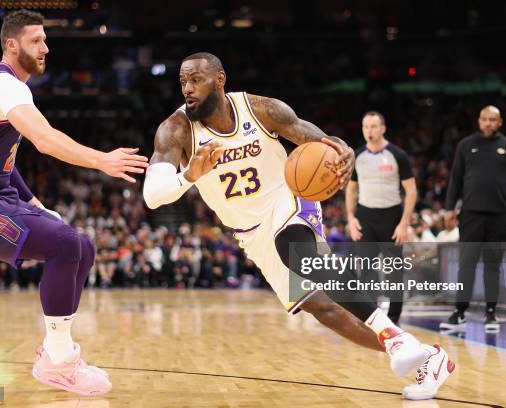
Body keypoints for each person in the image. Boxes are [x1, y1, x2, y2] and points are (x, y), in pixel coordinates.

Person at [143, 52, 454, 400]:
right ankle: (426, 355)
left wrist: (343, 152)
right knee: (325, 309)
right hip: (251, 231)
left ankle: (396, 338)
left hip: (288, 197)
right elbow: (153, 195)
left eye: (195, 79)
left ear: (219, 79)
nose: (188, 88)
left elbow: (319, 141)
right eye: (183, 81)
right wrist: (189, 175)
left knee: (295, 249)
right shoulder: (176, 129)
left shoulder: (261, 109)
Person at [0, 10, 148, 395]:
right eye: (37, 40)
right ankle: (59, 360)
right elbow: (46, 141)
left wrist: (33, 202)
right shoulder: (3, 88)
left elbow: (3, 161)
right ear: (12, 45)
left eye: (45, 39)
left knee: (82, 246)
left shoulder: (14, 89)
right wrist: (103, 160)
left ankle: (57, 353)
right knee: (65, 245)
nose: (46, 47)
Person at [440, 105, 506, 333]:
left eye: (493, 119)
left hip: (500, 215)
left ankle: (491, 313)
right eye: (485, 119)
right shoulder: (466, 145)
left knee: (493, 266)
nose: (488, 123)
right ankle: (459, 312)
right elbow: (456, 179)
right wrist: (449, 208)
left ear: (500, 122)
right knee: (466, 265)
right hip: (470, 215)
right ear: (479, 121)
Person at [345, 111, 417, 325]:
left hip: (392, 217)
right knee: (366, 270)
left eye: (374, 126)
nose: (370, 130)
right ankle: (372, 319)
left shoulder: (398, 155)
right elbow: (351, 190)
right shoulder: (357, 156)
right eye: (366, 126)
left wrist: (404, 223)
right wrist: (350, 217)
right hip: (365, 216)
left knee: (395, 272)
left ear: (383, 128)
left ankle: (394, 319)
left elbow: (411, 191)